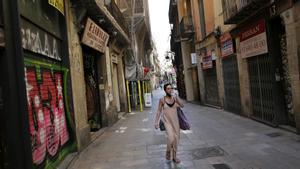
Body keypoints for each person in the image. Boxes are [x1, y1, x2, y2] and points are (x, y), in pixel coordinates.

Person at [154, 83, 184, 163]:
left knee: (176, 139)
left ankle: (174, 157)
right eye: (168, 88)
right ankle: (168, 151)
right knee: (171, 138)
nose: (170, 90)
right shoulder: (162, 100)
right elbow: (159, 111)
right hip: (167, 122)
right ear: (165, 90)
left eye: (171, 88)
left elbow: (182, 105)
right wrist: (156, 122)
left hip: (176, 122)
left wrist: (177, 96)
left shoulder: (175, 99)